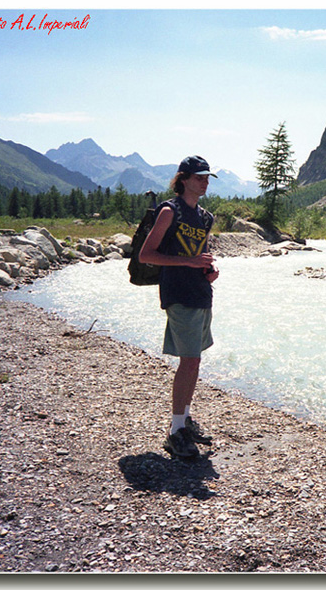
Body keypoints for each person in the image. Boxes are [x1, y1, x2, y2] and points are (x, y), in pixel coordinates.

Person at [138, 155, 220, 459]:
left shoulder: (205, 216)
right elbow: (147, 254)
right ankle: (175, 432)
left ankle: (184, 419)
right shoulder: (169, 212)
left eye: (207, 177)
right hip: (178, 295)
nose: (205, 182)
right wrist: (189, 262)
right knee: (188, 361)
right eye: (199, 177)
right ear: (183, 179)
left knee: (194, 361)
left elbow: (202, 254)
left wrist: (208, 272)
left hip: (200, 292)